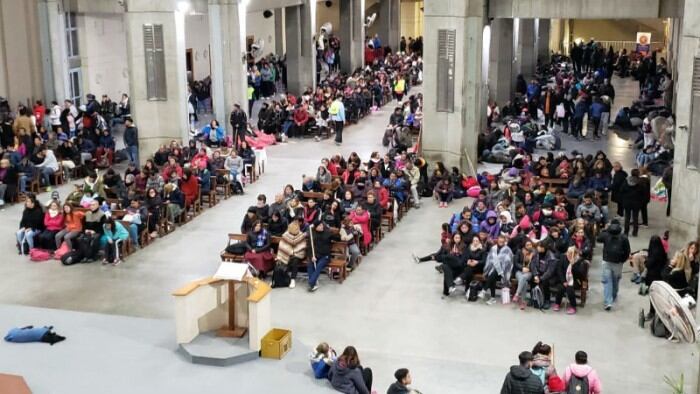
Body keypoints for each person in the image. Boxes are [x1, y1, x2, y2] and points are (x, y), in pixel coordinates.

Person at [596, 219, 630, 310]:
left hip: (607, 261)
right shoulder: (624, 237)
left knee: (607, 281)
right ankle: (613, 296)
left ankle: (608, 301)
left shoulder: (606, 235)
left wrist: (605, 229)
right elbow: (627, 251)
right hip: (618, 263)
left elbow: (598, 238)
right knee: (615, 280)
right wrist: (622, 260)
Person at [483, 234, 514, 305]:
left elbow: (509, 261)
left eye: (502, 241)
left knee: (493, 273)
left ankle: (486, 291)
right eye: (500, 240)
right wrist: (494, 264)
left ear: (504, 241)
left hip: (504, 272)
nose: (501, 242)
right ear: (497, 240)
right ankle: (491, 297)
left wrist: (500, 263)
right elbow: (489, 259)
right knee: (492, 273)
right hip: (493, 270)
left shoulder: (508, 250)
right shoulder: (493, 248)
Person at [276, 221, 306, 289]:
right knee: (283, 260)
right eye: (293, 228)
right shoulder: (285, 235)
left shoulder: (301, 235)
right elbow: (282, 245)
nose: (295, 230)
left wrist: (293, 252)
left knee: (295, 260)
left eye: (296, 228)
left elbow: (303, 246)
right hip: (287, 253)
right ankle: (280, 278)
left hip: (298, 254)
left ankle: (293, 279)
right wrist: (289, 252)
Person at [307, 220, 334, 292]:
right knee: (310, 264)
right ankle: (312, 284)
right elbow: (310, 247)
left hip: (325, 256)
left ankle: (311, 282)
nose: (321, 226)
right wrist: (312, 256)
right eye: (319, 226)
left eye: (322, 225)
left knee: (319, 266)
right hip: (315, 256)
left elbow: (337, 237)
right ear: (316, 227)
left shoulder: (327, 233)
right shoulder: (313, 235)